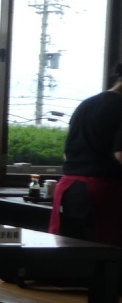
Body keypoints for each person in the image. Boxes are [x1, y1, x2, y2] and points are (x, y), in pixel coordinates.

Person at [51, 63, 122, 247]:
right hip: (102, 192)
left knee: (71, 252)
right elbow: (120, 154)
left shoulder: (87, 104)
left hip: (69, 189)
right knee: (105, 255)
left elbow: (67, 154)